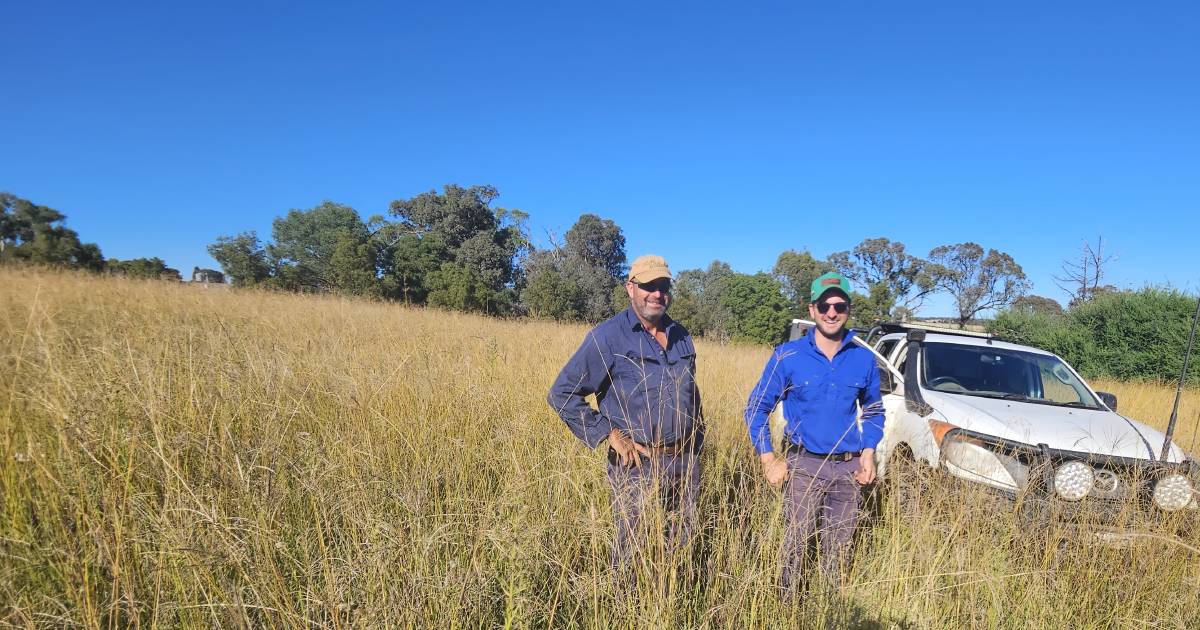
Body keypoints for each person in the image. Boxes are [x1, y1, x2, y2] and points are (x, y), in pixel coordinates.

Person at [547, 254, 704, 572]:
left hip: (684, 464)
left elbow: (691, 392)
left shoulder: (681, 336)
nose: (657, 294)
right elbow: (562, 394)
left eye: (663, 286)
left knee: (681, 548)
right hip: (637, 466)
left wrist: (697, 440)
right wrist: (609, 434)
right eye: (649, 286)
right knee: (632, 551)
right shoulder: (607, 337)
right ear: (630, 288)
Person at [743, 271, 883, 595]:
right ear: (812, 310)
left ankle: (827, 611)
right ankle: (787, 608)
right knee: (795, 548)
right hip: (803, 466)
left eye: (839, 305)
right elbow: (757, 408)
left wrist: (868, 452)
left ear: (848, 309)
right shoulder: (788, 355)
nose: (831, 312)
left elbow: (874, 410)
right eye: (824, 306)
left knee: (838, 551)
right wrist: (768, 461)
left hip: (848, 469)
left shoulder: (863, 359)